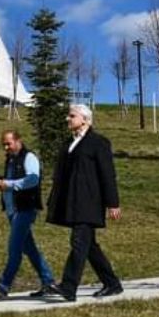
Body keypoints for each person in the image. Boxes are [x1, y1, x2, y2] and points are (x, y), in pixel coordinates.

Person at [45, 104, 123, 302]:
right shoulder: (69, 144)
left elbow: (108, 175)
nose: (67, 119)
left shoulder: (98, 143)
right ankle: (112, 283)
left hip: (90, 202)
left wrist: (112, 203)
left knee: (79, 242)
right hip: (73, 202)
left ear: (85, 120)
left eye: (72, 116)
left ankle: (68, 287)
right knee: (89, 245)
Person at [0, 129, 56, 299]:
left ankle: (4, 285)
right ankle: (49, 282)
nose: (6, 148)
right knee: (29, 249)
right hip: (13, 210)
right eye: (4, 144)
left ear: (18, 141)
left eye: (8, 143)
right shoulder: (11, 159)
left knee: (14, 247)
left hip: (25, 209)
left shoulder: (29, 157)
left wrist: (8, 184)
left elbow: (32, 179)